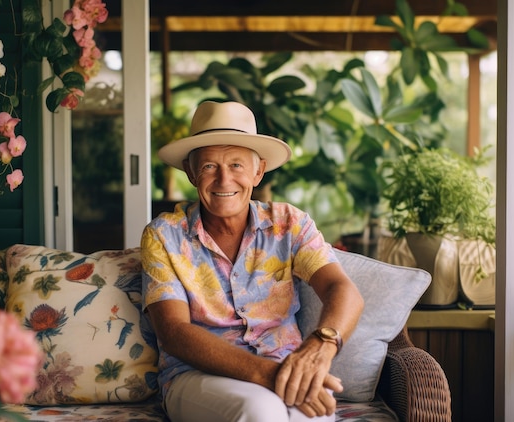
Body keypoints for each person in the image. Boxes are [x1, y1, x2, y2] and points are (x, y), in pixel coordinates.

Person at [141, 101, 364, 422]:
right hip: (197, 377)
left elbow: (341, 289)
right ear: (191, 172)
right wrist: (268, 375)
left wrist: (321, 347)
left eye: (236, 165)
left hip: (288, 368)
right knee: (259, 411)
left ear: (258, 171)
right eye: (208, 167)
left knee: (310, 417)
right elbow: (174, 332)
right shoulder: (163, 234)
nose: (223, 180)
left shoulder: (290, 223)